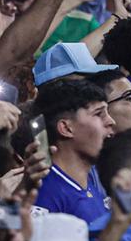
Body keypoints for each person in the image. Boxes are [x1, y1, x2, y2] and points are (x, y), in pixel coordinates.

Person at [32, 78, 115, 225]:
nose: (111, 121)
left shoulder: (90, 186)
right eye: (98, 114)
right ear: (66, 128)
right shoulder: (45, 193)